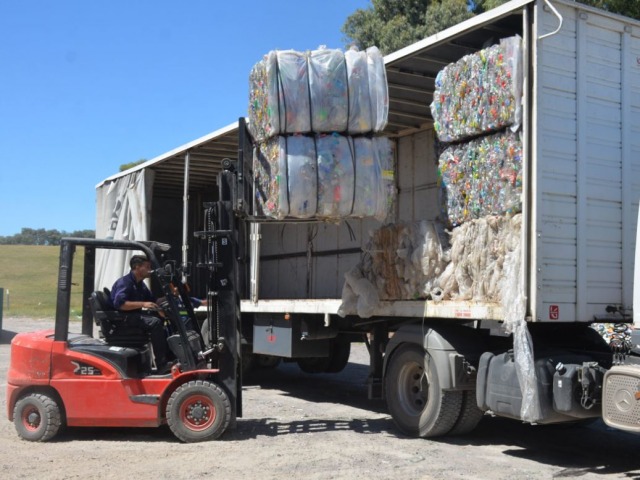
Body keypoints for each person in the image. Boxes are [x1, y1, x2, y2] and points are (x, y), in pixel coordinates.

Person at [110, 255, 169, 371]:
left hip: (133, 316)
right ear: (137, 267)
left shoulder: (140, 284)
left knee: (162, 320)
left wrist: (169, 296)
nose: (150, 270)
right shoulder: (125, 282)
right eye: (147, 267)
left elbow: (153, 300)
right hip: (123, 318)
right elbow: (120, 304)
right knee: (155, 323)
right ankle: (162, 364)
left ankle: (169, 358)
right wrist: (143, 304)